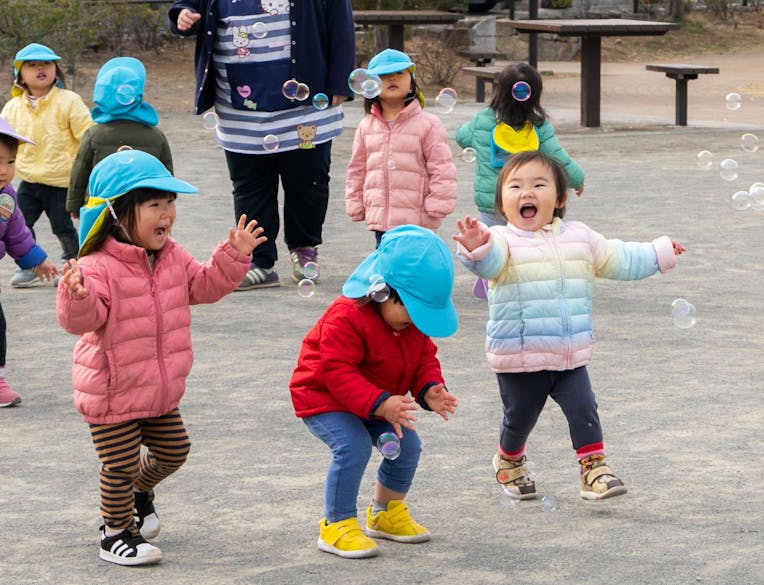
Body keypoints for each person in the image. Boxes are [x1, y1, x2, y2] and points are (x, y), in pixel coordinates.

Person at [56, 150, 266, 565]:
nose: (167, 213)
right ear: (116, 213)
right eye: (154, 204)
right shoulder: (96, 266)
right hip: (112, 390)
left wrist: (234, 255)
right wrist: (76, 296)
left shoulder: (173, 256)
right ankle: (114, 532)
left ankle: (139, 492)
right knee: (118, 462)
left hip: (158, 390)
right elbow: (83, 320)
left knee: (174, 451)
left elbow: (204, 286)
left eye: (170, 203)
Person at [453, 151, 684, 501]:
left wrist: (657, 253)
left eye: (538, 184)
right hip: (520, 356)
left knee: (583, 408)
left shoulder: (580, 237)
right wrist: (477, 248)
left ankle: (594, 469)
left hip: (569, 354)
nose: (526, 192)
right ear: (501, 201)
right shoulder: (501, 240)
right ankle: (509, 460)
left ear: (559, 198)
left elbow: (618, 257)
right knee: (519, 419)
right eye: (515, 186)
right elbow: (489, 264)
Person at [289, 224, 458, 558]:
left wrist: (429, 389)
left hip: (377, 401)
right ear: (382, 290)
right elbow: (336, 372)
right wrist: (380, 404)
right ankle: (336, 525)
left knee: (408, 446)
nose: (416, 321)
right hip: (324, 397)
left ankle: (384, 513)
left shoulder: (409, 323)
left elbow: (424, 357)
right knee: (352, 446)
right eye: (411, 309)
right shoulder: (346, 316)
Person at [168, 0, 355, 290]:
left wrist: (339, 81)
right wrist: (181, 15)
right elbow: (187, 6)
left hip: (306, 105)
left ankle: (304, 249)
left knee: (308, 182)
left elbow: (340, 23)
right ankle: (259, 260)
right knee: (250, 186)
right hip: (238, 105)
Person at [455, 62, 584, 298]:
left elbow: (461, 137)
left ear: (499, 92)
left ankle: (490, 277)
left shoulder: (483, 120)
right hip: (527, 202)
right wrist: (577, 179)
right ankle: (522, 281)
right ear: (535, 96)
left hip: (492, 200)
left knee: (492, 241)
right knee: (525, 242)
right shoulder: (538, 127)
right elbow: (559, 159)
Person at [1, 42, 93, 287]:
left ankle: (72, 265)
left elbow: (88, 135)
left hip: (62, 180)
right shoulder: (12, 107)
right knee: (20, 222)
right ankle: (30, 266)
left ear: (56, 70)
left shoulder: (69, 101)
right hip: (28, 180)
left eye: (47, 63)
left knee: (62, 227)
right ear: (20, 74)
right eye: (31, 65)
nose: (40, 68)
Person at [344, 49, 457, 247]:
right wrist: (355, 202)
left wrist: (438, 203)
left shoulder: (429, 124)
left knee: (415, 273)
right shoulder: (366, 126)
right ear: (370, 85)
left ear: (412, 81)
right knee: (388, 272)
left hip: (418, 220)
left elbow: (442, 168)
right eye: (384, 76)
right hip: (381, 220)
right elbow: (357, 169)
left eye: (400, 73)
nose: (392, 79)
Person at [0, 117, 60, 407]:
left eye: (10, 162)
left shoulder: (7, 198)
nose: (4, 170)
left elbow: (17, 234)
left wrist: (37, 261)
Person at [67, 56, 174, 218]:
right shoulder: (156, 136)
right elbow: (167, 175)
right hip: (144, 210)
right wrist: (168, 200)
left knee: (102, 243)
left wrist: (74, 205)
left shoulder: (93, 134)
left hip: (101, 206)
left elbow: (80, 172)